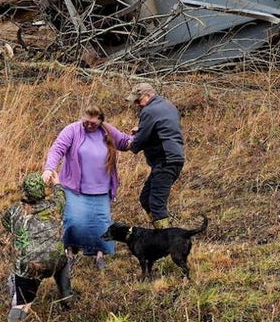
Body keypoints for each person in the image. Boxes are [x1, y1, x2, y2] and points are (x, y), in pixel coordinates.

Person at [41, 106, 132, 270]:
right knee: (73, 221)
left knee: (101, 224)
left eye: (94, 121)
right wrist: (49, 168)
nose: (90, 124)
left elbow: (126, 143)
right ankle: (69, 253)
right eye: (87, 120)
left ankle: (100, 256)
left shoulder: (108, 131)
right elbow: (58, 149)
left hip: (101, 188)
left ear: (100, 120)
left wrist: (140, 135)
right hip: (75, 188)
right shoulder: (72, 130)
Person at [1, 172, 72, 322]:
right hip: (55, 261)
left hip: (30, 267)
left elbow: (6, 224)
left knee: (22, 304)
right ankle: (67, 298)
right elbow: (62, 194)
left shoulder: (15, 211)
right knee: (63, 259)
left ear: (25, 192)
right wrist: (56, 182)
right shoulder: (55, 205)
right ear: (43, 190)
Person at [126, 82, 185, 229]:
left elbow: (140, 140)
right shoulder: (168, 106)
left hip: (166, 160)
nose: (138, 104)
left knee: (156, 203)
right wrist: (141, 129)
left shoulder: (149, 111)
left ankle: (166, 241)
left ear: (148, 95)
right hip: (173, 159)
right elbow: (162, 128)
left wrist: (126, 144)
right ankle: (159, 233)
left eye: (138, 100)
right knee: (145, 198)